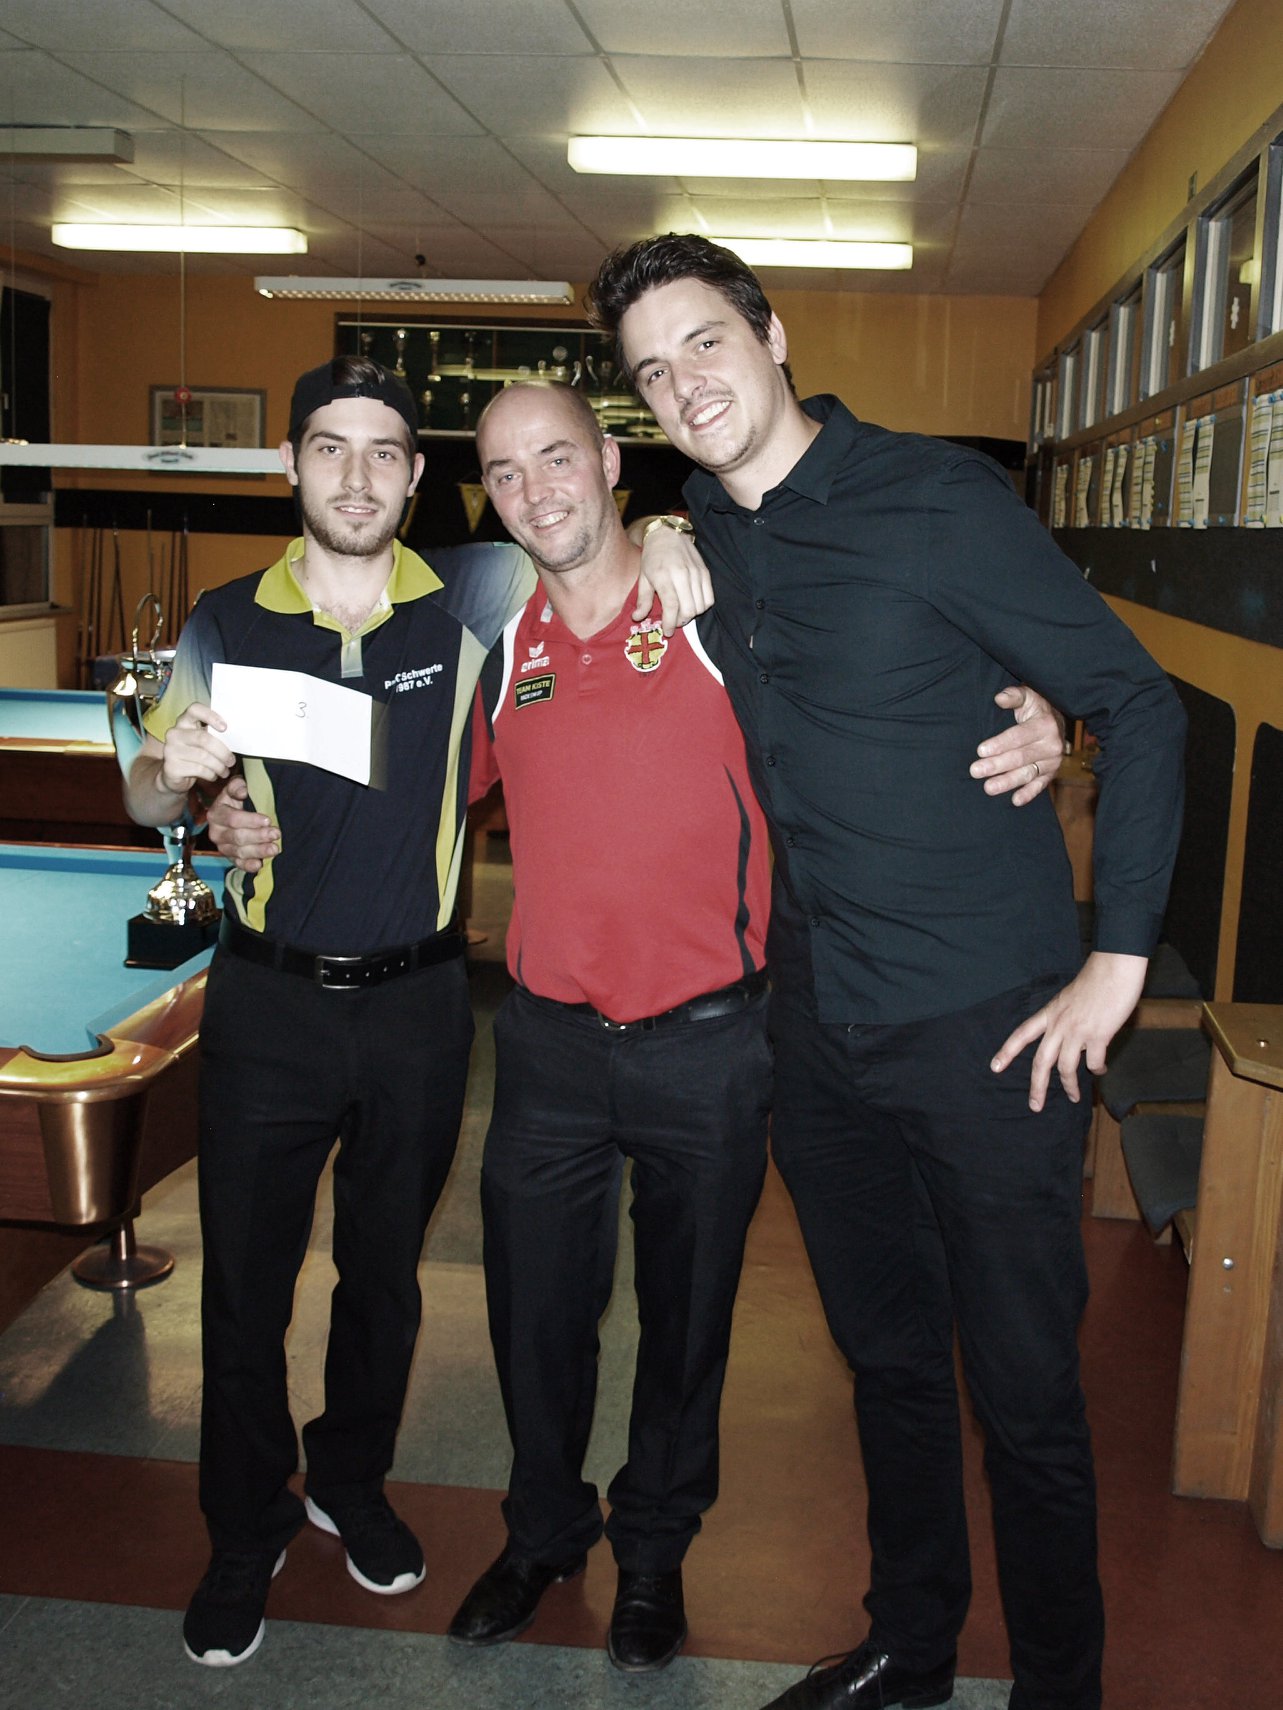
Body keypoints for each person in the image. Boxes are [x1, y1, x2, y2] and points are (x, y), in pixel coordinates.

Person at [205, 377, 1066, 1675]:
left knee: (687, 1323)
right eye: (506, 473)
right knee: (535, 1320)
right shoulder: (497, 643)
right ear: (487, 500)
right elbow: (396, 792)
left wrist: (1032, 705)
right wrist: (227, 809)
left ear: (612, 462)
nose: (537, 489)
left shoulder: (716, 605)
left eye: (559, 458)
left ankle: (654, 1552)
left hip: (711, 1044)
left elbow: (885, 674)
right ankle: (544, 1532)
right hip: (548, 1047)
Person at [585, 236, 1187, 1710]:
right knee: (891, 1363)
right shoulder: (703, 530)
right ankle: (913, 1645)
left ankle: (1059, 1687)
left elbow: (1138, 700)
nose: (686, 385)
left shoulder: (938, 498)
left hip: (995, 1028)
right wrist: (659, 523)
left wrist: (1117, 962)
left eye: (706, 343)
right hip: (819, 1032)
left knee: (1027, 1392)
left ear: (773, 335)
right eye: (653, 373)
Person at [123, 356, 696, 1670]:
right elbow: (147, 791)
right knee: (247, 1288)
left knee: (382, 1277)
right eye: (331, 447)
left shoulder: (479, 590)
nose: (357, 475)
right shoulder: (226, 617)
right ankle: (244, 1525)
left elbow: (591, 538)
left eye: (384, 452)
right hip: (267, 1001)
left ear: (416, 476)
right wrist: (181, 777)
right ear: (291, 464)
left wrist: (671, 524)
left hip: (421, 1006)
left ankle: (350, 1478)